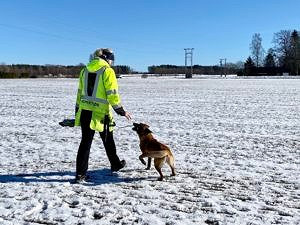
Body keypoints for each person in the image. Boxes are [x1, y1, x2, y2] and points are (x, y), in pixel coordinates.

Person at [74, 48, 131, 182]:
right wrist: (121, 110)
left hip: (85, 112)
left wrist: (77, 110)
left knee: (85, 143)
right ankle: (115, 165)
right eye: (112, 60)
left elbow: (79, 93)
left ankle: (80, 174)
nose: (112, 62)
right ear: (107, 58)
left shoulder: (85, 70)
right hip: (100, 114)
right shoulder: (107, 71)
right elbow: (112, 93)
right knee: (108, 140)